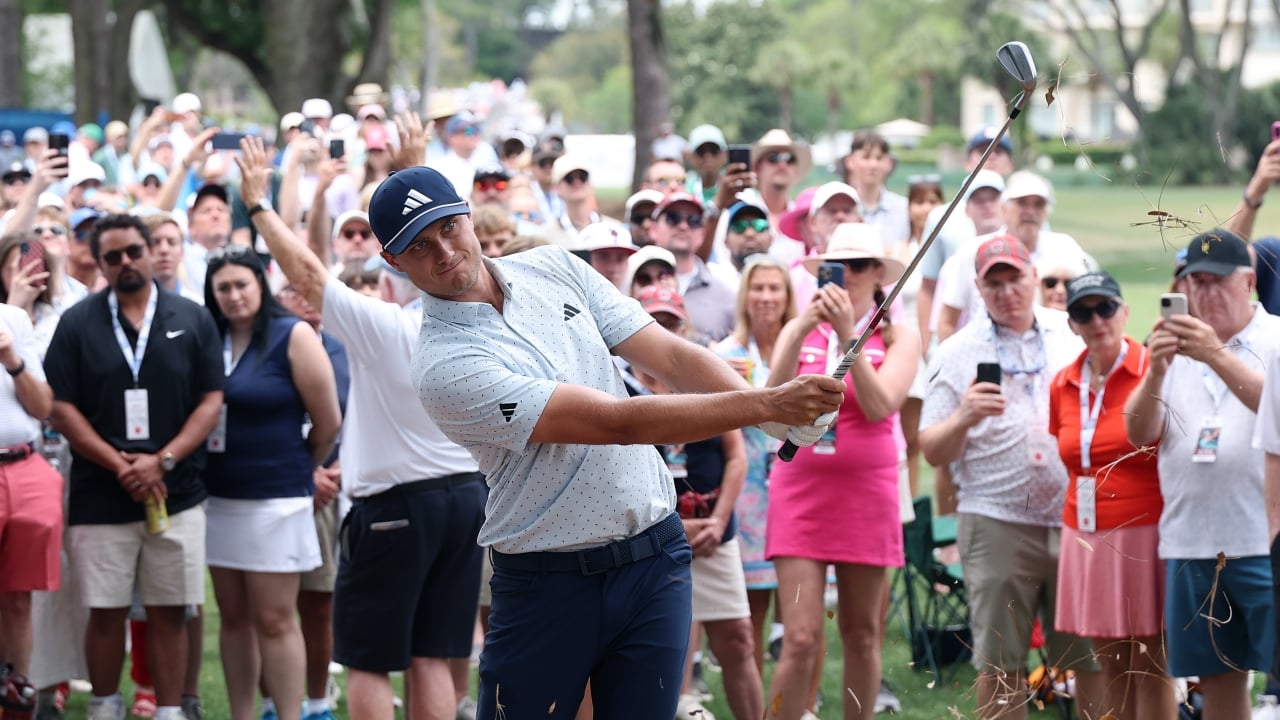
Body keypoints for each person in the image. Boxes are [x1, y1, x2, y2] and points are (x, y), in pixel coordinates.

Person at [363, 164, 845, 719]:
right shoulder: (443, 366)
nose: (444, 251)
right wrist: (766, 405)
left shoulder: (554, 266)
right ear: (393, 261)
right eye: (420, 246)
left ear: (467, 215)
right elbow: (617, 423)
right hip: (546, 580)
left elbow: (667, 354)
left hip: (652, 557)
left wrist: (771, 418)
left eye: (448, 227)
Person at [233, 131, 487, 720]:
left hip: (397, 506)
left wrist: (259, 206)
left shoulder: (390, 328)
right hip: (464, 500)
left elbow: (305, 273)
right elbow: (420, 245)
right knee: (431, 655)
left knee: (371, 661)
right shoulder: (482, 323)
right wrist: (408, 174)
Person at [43, 213, 224, 720]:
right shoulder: (78, 323)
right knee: (105, 611)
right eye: (113, 256)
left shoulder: (192, 317)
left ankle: (168, 708)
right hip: (101, 491)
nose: (126, 262)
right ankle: (105, 704)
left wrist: (162, 460)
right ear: (99, 263)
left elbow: (212, 399)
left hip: (177, 489)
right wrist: (117, 462)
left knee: (170, 610)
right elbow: (60, 405)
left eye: (133, 252)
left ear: (149, 251)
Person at [919, 235, 1101, 720]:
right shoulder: (957, 351)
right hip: (996, 518)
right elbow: (932, 450)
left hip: (1074, 516)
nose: (1006, 292)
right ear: (978, 288)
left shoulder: (1071, 332)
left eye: (1014, 278)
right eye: (993, 283)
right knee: (1001, 665)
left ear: (1033, 277)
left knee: (1088, 659)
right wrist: (963, 417)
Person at [764, 223, 919, 720]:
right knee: (802, 634)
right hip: (800, 489)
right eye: (838, 266)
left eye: (858, 266)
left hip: (866, 492)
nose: (846, 276)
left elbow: (880, 405)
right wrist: (797, 328)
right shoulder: (802, 324)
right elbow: (767, 412)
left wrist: (850, 335)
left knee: (860, 630)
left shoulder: (900, 332)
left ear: (878, 274)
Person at [1127, 229, 1280, 720]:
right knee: (1217, 682)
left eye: (1217, 281)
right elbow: (1137, 434)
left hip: (1263, 540)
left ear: (1249, 282)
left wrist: (1215, 353)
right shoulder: (1175, 349)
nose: (1205, 293)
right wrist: (1154, 370)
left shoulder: (1275, 338)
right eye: (1196, 281)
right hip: (1193, 542)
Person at [201, 246, 341, 720]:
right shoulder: (207, 337)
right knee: (234, 619)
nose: (234, 295)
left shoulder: (293, 335)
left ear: (261, 284)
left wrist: (302, 465)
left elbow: (327, 421)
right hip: (219, 499)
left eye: (242, 284)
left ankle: (289, 713)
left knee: (275, 619)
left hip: (277, 499)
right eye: (223, 287)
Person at [628, 286, 764, 720]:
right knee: (662, 647)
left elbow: (737, 454)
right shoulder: (619, 385)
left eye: (671, 322)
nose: (664, 330)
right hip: (650, 538)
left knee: (739, 637)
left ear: (683, 327)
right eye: (655, 323)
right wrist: (670, 526)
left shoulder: (704, 379)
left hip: (711, 530)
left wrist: (721, 516)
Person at [1048, 272, 1174, 720]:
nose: (1097, 320)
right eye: (1084, 312)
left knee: (1150, 665)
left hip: (1143, 530)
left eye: (1105, 308)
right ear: (1071, 324)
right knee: (1109, 663)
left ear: (1124, 312)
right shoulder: (1063, 382)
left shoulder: (1152, 368)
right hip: (1083, 531)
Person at [712, 257, 795, 676]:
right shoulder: (725, 354)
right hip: (749, 492)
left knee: (799, 606)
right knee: (752, 606)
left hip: (796, 482)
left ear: (787, 297)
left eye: (774, 288)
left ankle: (800, 695)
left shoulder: (801, 348)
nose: (766, 297)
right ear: (745, 297)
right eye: (758, 289)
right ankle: (758, 692)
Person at [0, 262, 59, 686]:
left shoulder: (14, 320)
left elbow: (42, 407)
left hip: (23, 466)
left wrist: (12, 360)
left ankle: (17, 699)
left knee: (19, 599)